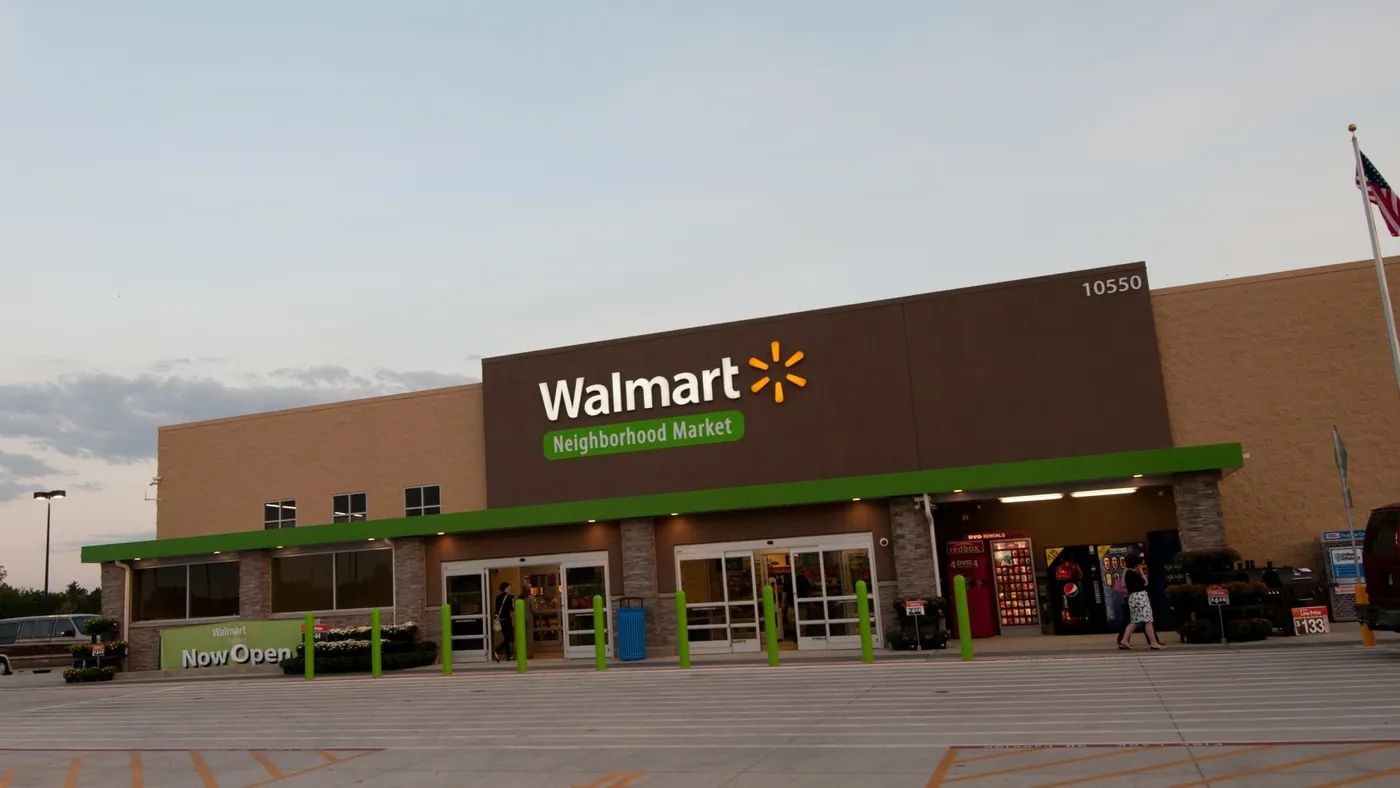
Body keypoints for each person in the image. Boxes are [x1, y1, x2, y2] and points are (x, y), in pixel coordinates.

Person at [1118, 556, 1166, 651]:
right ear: (1136, 564)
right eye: (1140, 563)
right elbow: (1145, 583)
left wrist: (1124, 573)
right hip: (1141, 597)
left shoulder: (1127, 572)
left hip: (1132, 598)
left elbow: (1123, 585)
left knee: (1134, 621)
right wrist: (1141, 572)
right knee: (1148, 621)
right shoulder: (1134, 573)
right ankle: (1154, 643)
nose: (1141, 565)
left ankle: (1124, 640)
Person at [492, 581, 516, 663]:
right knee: (508, 637)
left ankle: (508, 656)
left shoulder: (498, 597)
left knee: (507, 637)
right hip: (507, 619)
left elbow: (497, 609)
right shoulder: (510, 597)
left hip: (501, 620)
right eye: (509, 587)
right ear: (506, 588)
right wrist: (513, 602)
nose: (510, 589)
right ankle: (498, 651)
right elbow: (512, 609)